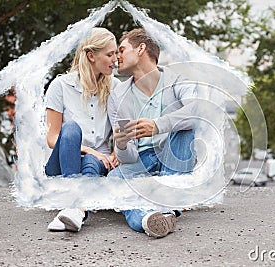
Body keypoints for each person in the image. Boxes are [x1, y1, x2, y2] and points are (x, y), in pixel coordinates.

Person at [107, 28, 197, 238]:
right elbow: (127, 157)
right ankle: (150, 218)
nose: (116, 56)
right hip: (141, 161)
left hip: (172, 156)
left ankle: (164, 202)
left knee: (186, 128)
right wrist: (121, 145)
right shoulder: (118, 95)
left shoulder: (177, 80)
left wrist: (158, 125)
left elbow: (198, 113)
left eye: (122, 50)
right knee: (113, 179)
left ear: (141, 49)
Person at [45, 27, 120, 232]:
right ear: (91, 56)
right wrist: (89, 149)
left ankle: (75, 209)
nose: (116, 59)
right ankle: (74, 201)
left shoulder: (116, 87)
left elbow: (122, 131)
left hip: (98, 162)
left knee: (91, 161)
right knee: (70, 128)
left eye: (116, 53)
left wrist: (115, 153)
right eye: (110, 54)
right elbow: (52, 138)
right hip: (61, 164)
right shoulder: (60, 85)